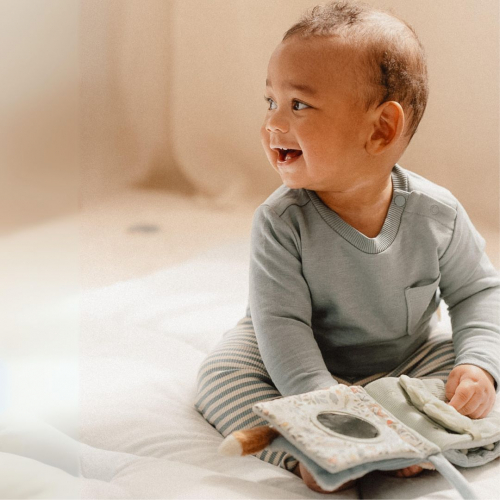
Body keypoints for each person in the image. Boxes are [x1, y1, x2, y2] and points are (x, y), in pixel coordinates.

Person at [194, 0, 500, 493]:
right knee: (221, 373)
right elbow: (282, 326)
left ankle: (412, 432)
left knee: (469, 376)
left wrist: (477, 366)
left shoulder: (436, 214)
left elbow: (478, 293)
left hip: (407, 357)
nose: (274, 122)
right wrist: (321, 402)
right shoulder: (281, 221)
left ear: (380, 129)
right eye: (270, 101)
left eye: (299, 105)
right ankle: (306, 452)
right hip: (293, 357)